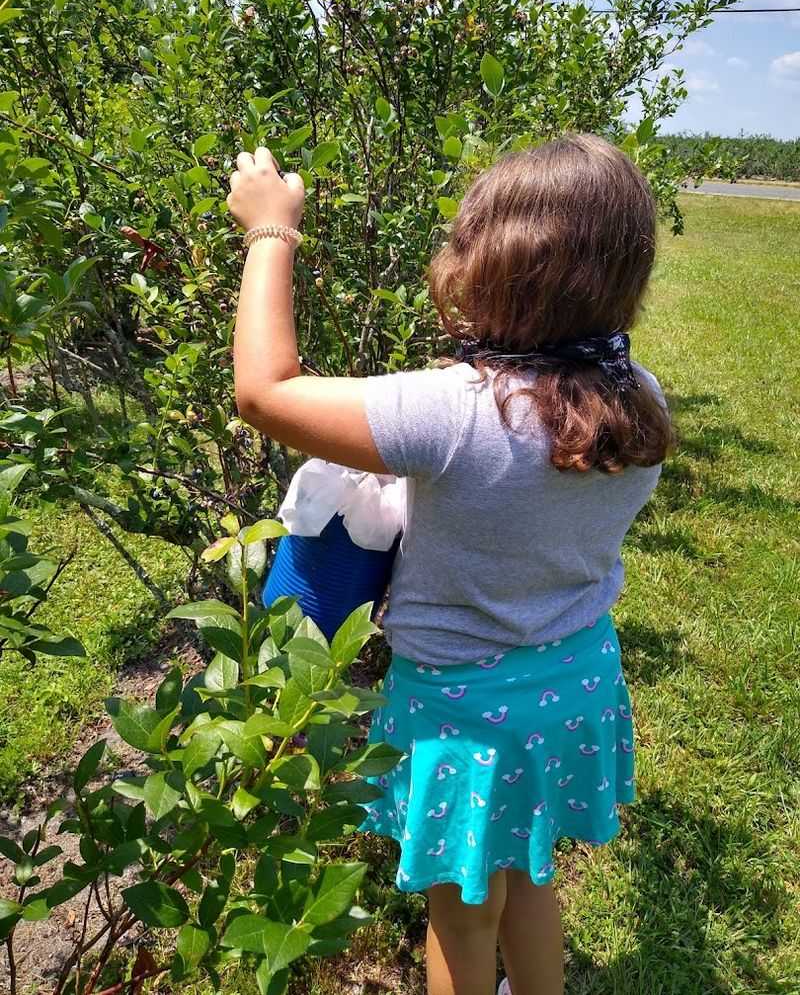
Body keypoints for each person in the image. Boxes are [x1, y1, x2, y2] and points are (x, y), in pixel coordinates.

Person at [227, 133, 672, 995]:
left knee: (463, 912)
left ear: (492, 264)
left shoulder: (451, 413)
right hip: (575, 678)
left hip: (463, 711)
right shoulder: (638, 398)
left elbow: (264, 392)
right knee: (529, 870)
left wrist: (270, 231)